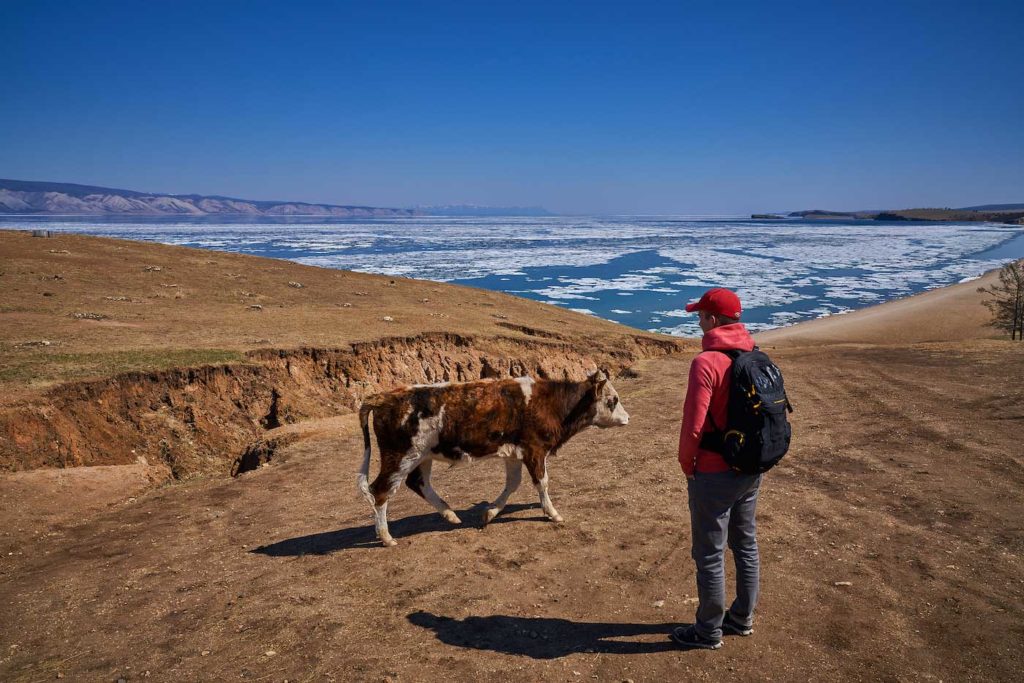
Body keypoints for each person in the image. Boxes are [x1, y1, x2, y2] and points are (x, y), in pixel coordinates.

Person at [671, 287, 762, 650]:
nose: (698, 322)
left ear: (712, 319)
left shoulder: (706, 362)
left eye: (700, 316)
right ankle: (741, 619)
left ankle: (708, 631)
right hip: (751, 467)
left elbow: (693, 425)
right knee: (745, 543)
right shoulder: (753, 353)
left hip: (713, 470)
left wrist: (687, 464)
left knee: (709, 552)